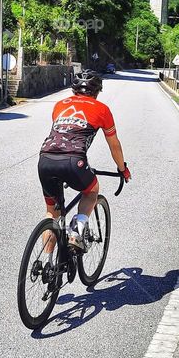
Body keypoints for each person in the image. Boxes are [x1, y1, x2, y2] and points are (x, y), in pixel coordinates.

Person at [38, 69, 131, 251]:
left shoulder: (59, 105)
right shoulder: (102, 109)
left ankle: (47, 265)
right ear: (97, 92)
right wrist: (122, 168)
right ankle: (77, 232)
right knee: (91, 191)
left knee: (52, 213)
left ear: (74, 90)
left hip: (45, 159)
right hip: (74, 161)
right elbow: (114, 145)